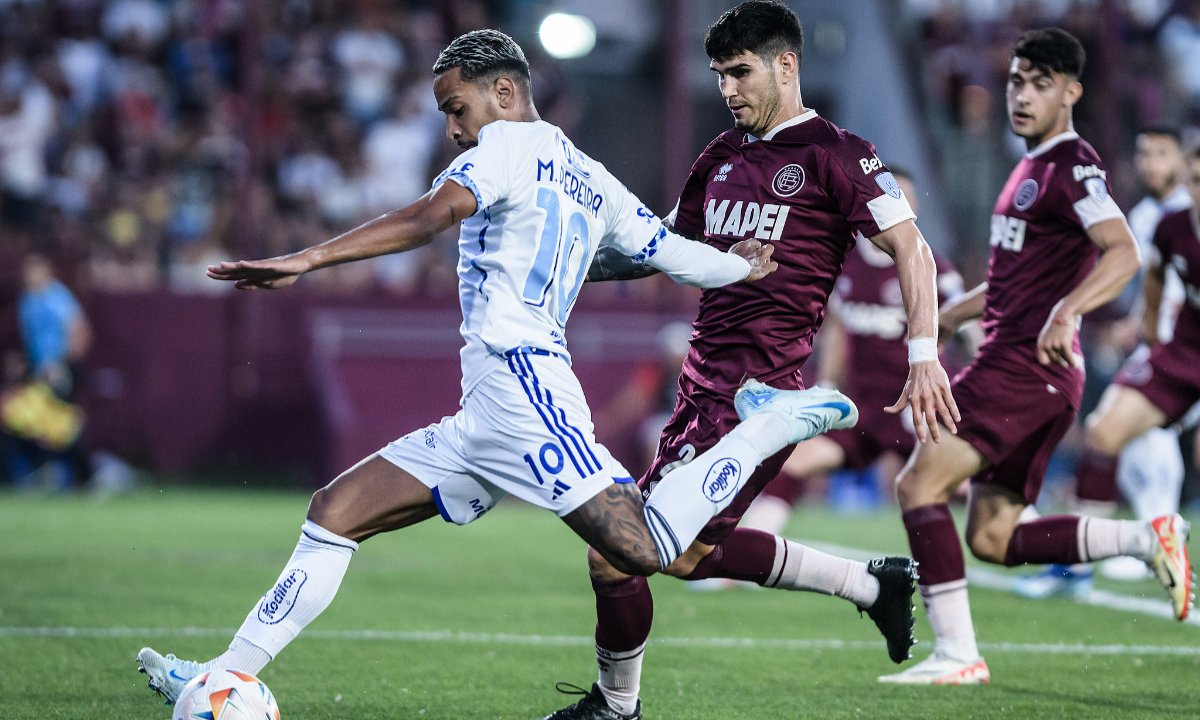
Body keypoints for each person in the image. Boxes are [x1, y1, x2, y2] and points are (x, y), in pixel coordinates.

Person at [132, 28, 870, 709]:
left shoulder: (504, 146)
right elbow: (674, 255)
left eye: (458, 109)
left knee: (643, 548)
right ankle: (223, 676)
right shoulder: (593, 177)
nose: (454, 129)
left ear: (506, 93)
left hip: (526, 392)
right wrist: (737, 266)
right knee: (335, 512)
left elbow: (430, 215)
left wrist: (309, 258)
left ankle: (767, 428)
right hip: (483, 414)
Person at [543, 4, 960, 718]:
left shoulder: (837, 153)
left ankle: (616, 707)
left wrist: (924, 356)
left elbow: (912, 248)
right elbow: (666, 250)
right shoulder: (719, 155)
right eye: (720, 75)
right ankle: (872, 584)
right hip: (697, 391)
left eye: (740, 72)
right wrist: (571, 263)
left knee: (617, 551)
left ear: (786, 65)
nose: (728, 89)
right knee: (690, 555)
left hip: (756, 402)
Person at [878, 28, 1193, 687]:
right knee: (992, 538)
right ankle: (1146, 538)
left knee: (918, 485)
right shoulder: (1030, 168)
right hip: (1027, 368)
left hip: (1023, 369)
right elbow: (1014, 284)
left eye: (1041, 85)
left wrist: (1069, 310)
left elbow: (1124, 251)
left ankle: (957, 654)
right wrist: (947, 317)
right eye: (1017, 82)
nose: (1022, 96)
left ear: (1071, 93)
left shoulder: (1071, 165)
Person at [737, 169, 965, 540]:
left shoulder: (926, 263)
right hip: (862, 408)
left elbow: (965, 318)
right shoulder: (843, 262)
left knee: (967, 481)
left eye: (906, 198)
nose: (901, 206)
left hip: (918, 405)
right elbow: (838, 331)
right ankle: (748, 551)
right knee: (792, 461)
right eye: (892, 197)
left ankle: (1042, 545)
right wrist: (827, 386)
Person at [1015, 126, 1194, 596]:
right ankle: (1108, 555)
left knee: (1154, 443)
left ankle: (1150, 540)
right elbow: (1153, 275)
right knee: (1108, 433)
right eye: (1145, 153)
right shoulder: (1159, 219)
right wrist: (1144, 324)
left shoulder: (1172, 215)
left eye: (1162, 154)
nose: (1151, 163)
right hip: (1176, 353)